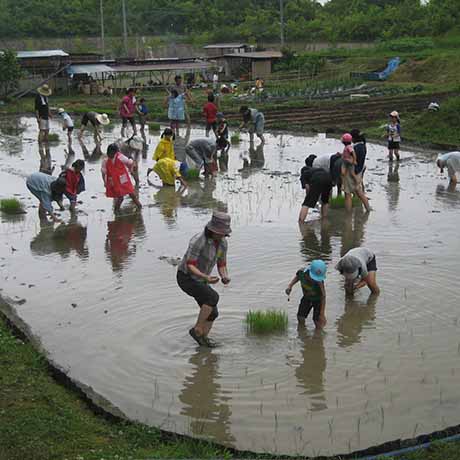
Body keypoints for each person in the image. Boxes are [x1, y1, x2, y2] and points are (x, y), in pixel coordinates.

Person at [177, 211, 232, 347]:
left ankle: (202, 340)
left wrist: (224, 276)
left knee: (213, 312)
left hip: (200, 279)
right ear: (211, 230)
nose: (222, 236)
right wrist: (206, 277)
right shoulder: (198, 241)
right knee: (213, 297)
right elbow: (190, 265)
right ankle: (197, 329)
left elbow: (222, 264)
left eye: (223, 233)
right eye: (219, 233)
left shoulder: (223, 244)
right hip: (186, 277)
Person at [285, 260, 327, 328]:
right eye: (314, 278)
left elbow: (323, 296)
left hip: (318, 300)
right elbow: (297, 278)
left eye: (317, 279)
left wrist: (322, 314)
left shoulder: (320, 282)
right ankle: (302, 332)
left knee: (317, 321)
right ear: (309, 272)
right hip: (306, 298)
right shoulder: (301, 272)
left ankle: (318, 336)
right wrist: (290, 286)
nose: (315, 280)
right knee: (300, 317)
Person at [101, 143, 142, 212]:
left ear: (115, 152)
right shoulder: (105, 160)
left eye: (112, 153)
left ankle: (139, 206)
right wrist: (105, 182)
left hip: (123, 179)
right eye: (109, 153)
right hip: (114, 181)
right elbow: (103, 172)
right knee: (120, 197)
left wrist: (131, 170)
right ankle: (116, 210)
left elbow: (131, 163)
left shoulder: (120, 157)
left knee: (132, 194)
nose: (110, 155)